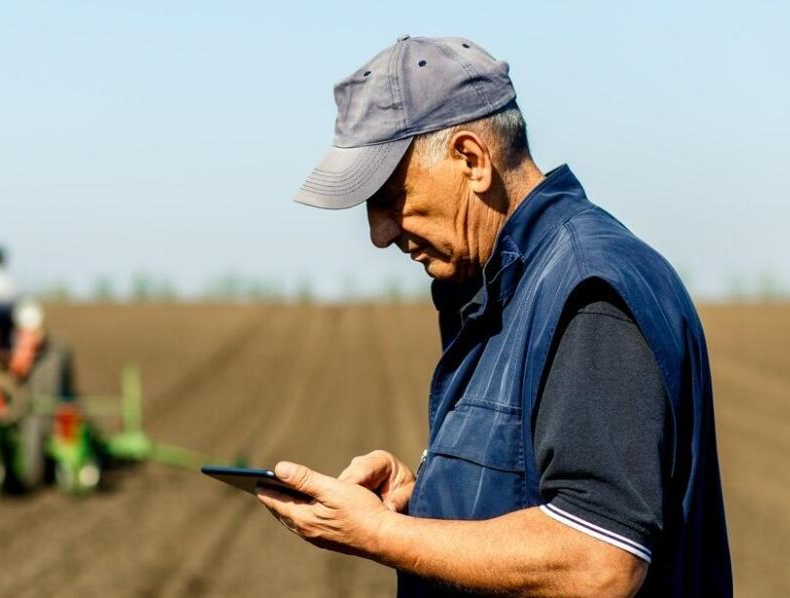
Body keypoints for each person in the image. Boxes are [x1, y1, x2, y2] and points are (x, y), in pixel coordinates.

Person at [256, 35, 731, 596]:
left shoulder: (587, 292)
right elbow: (532, 490)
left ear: (471, 159)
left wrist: (380, 534)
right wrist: (429, 494)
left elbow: (599, 562)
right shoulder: (508, 286)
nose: (379, 234)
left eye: (388, 198)